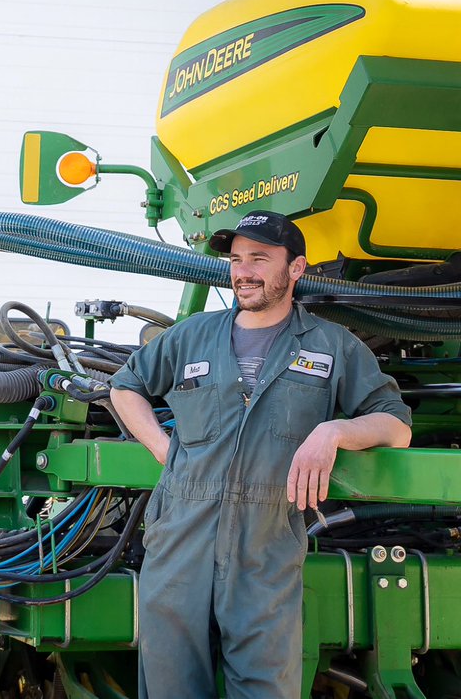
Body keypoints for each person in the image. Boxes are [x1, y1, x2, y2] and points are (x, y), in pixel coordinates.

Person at [108, 210, 412, 698]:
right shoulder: (192, 335)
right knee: (171, 687)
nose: (243, 272)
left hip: (266, 547)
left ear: (296, 268)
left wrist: (335, 430)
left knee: (266, 687)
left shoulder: (331, 345)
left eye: (259, 259)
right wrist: (164, 450)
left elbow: (396, 426)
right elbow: (125, 386)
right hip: (180, 540)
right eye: (236, 260)